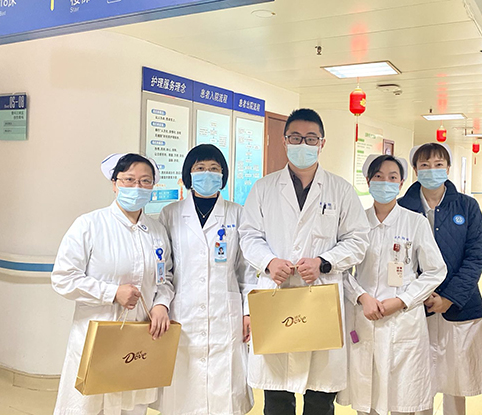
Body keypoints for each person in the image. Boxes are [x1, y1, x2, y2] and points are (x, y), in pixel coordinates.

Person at [239, 108, 370, 415]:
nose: (303, 144)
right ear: (285, 141)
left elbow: (358, 239)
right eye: (296, 138)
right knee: (277, 397)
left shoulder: (340, 189)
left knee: (319, 397)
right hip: (276, 295)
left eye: (311, 138)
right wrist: (269, 262)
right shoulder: (264, 188)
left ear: (322, 143)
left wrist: (325, 262)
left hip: (320, 297)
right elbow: (248, 235)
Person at [52, 153, 174, 415]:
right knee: (88, 405)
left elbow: (165, 277)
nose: (137, 187)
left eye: (145, 181)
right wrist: (112, 293)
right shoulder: (90, 225)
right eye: (129, 179)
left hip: (138, 338)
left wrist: (161, 304)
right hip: (97, 336)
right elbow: (63, 277)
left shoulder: (156, 231)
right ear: (114, 184)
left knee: (132, 406)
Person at [337, 154, 447, 415]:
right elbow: (341, 269)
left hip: (403, 318)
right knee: (367, 394)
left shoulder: (415, 222)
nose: (385, 182)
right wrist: (362, 297)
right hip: (365, 314)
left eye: (392, 177)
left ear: (401, 184)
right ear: (368, 181)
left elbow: (435, 270)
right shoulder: (355, 223)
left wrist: (402, 301)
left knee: (402, 397)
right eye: (378, 177)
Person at [397, 143, 482, 415]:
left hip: (459, 305)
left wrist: (449, 297)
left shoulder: (467, 206)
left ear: (448, 168)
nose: (432, 170)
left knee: (456, 379)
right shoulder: (401, 208)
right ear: (415, 170)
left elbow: (475, 257)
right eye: (425, 165)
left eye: (438, 164)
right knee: (418, 377)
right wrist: (418, 295)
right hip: (416, 306)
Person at [156, 144, 256, 415]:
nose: (207, 173)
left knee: (225, 389)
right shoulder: (170, 214)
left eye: (214, 168)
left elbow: (246, 269)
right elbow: (164, 269)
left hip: (226, 314)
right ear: (188, 174)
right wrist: (161, 303)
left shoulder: (237, 213)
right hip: (183, 312)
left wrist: (248, 311)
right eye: (200, 168)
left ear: (223, 175)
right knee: (184, 388)